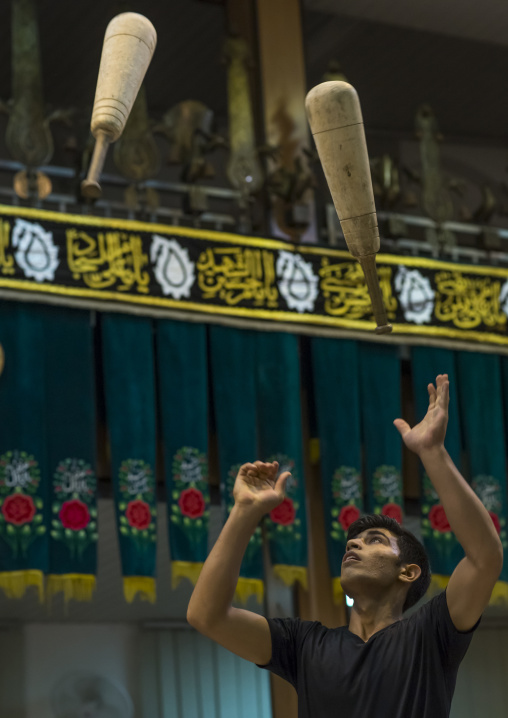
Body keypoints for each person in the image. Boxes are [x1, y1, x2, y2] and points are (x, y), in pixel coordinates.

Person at [187, 375, 503, 717]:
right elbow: (207, 616)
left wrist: (432, 452)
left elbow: (485, 557)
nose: (354, 543)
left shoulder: (430, 635)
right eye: (353, 540)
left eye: (375, 541)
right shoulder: (303, 645)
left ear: (408, 572)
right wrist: (244, 512)